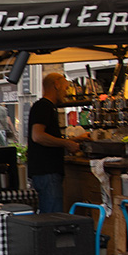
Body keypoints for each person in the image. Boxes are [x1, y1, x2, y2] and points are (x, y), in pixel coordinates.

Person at [28, 71, 81, 214]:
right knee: (52, 218)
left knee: (51, 216)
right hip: (47, 173)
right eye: (65, 88)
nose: (66, 92)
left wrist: (74, 140)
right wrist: (66, 144)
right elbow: (37, 136)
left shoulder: (47, 107)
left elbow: (46, 137)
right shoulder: (43, 106)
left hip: (47, 173)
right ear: (56, 85)